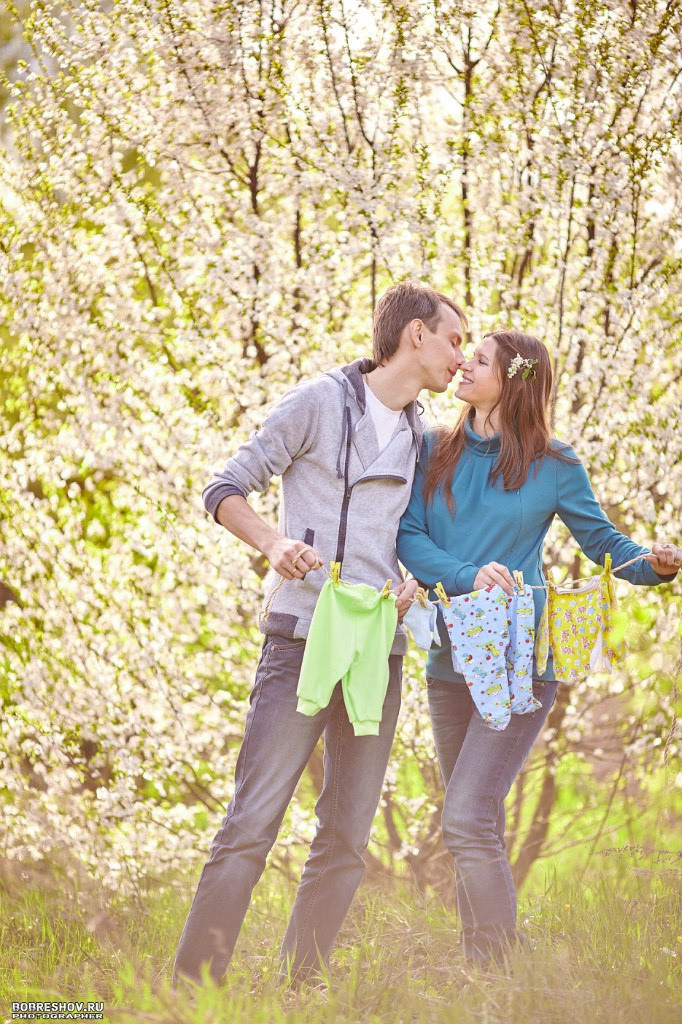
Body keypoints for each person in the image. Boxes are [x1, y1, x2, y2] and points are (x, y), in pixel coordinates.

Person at [173, 283, 468, 986]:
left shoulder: (424, 440)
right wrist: (273, 543)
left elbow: (411, 535)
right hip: (300, 638)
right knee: (252, 822)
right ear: (416, 335)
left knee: (347, 834)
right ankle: (193, 990)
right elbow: (223, 487)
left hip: (379, 650)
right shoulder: (317, 402)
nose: (461, 356)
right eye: (454, 339)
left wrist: (409, 581)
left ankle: (301, 986)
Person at [396, 329, 680, 966]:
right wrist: (468, 576)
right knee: (475, 821)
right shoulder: (432, 448)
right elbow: (409, 535)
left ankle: (501, 963)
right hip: (450, 661)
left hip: (522, 663)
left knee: (466, 818)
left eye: (480, 361)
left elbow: (604, 544)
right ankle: (488, 972)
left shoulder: (554, 464)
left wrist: (655, 564)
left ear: (513, 381)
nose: (463, 365)